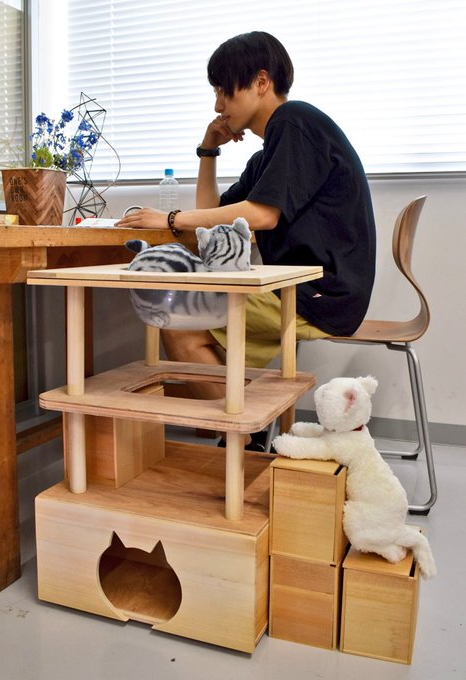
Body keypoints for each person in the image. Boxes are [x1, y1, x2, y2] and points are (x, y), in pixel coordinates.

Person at [117, 31, 376, 448]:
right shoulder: (268, 154)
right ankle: (246, 431)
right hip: (305, 287)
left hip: (322, 293)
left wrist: (169, 218)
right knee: (186, 314)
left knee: (177, 320)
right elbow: (209, 225)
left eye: (224, 91)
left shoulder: (296, 121)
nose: (218, 105)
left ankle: (246, 435)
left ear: (260, 82)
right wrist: (208, 150)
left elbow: (262, 215)